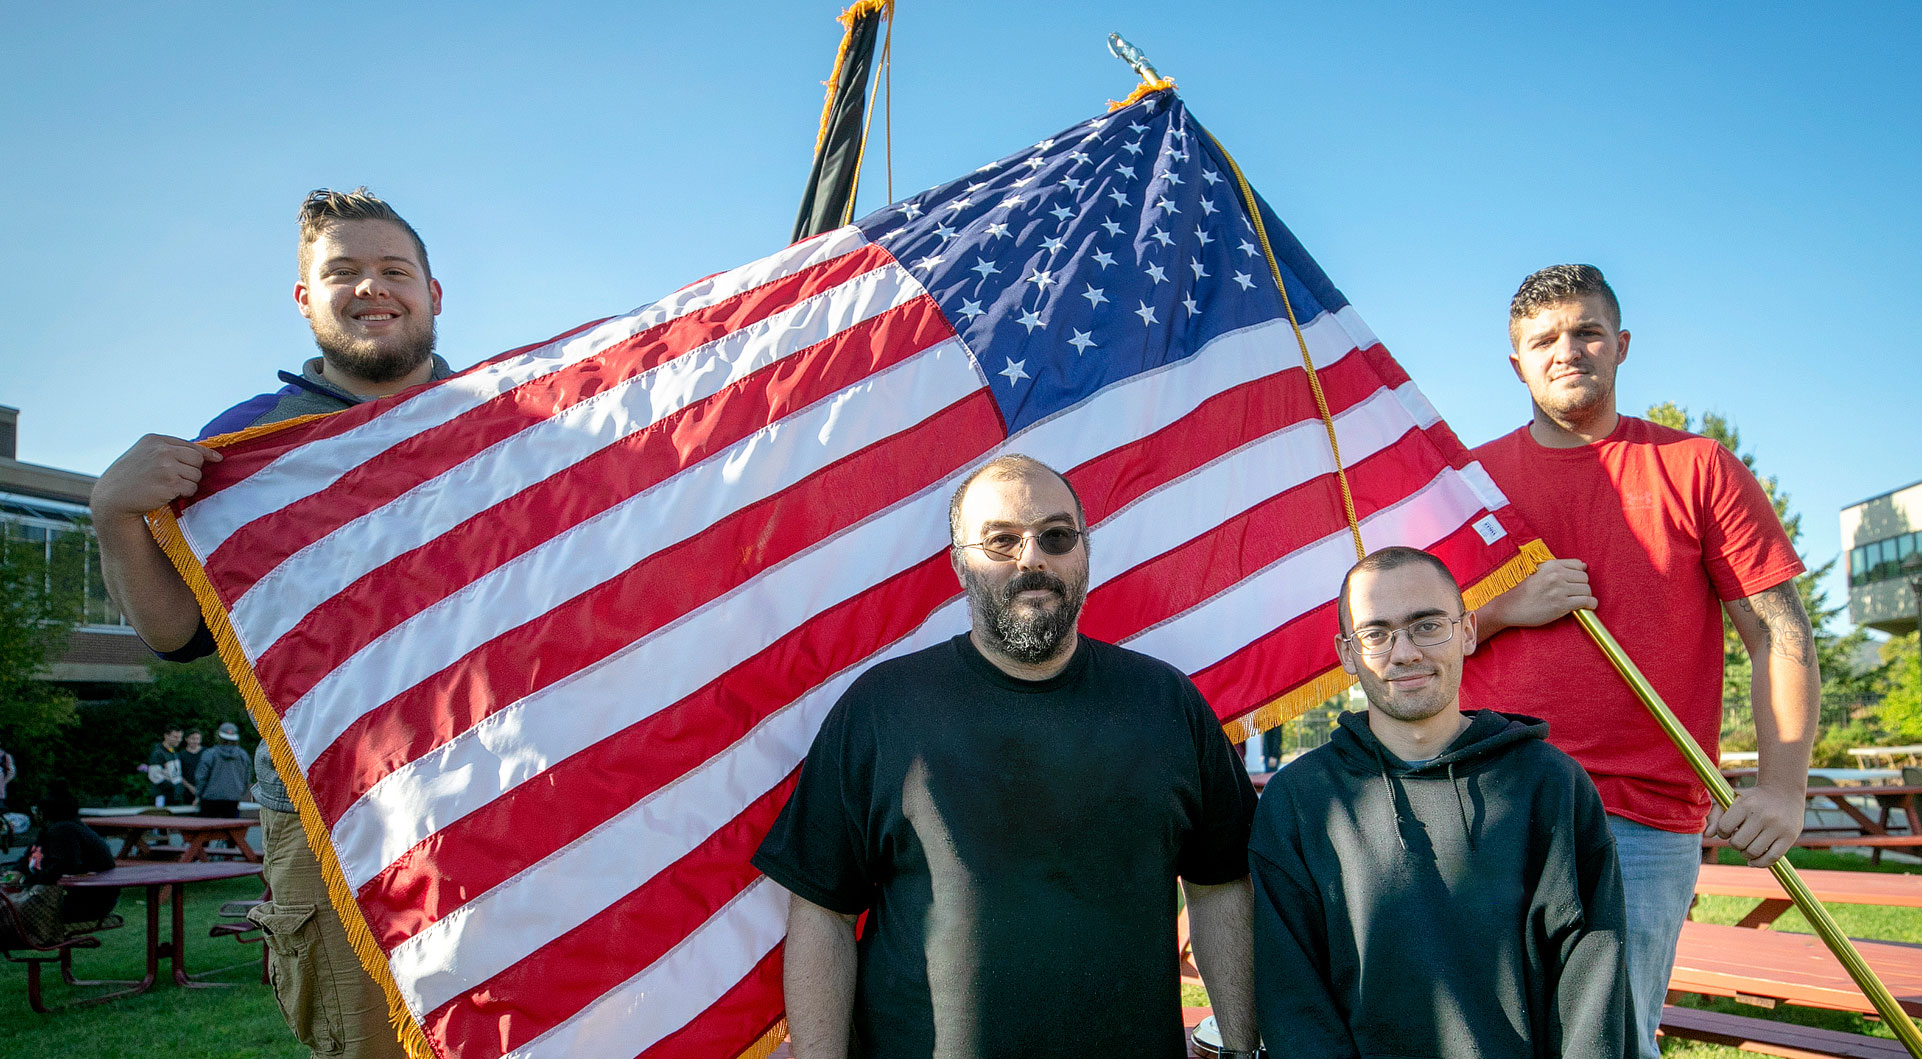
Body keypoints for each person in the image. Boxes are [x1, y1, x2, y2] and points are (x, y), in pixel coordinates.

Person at [90, 187, 451, 1059]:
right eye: (343, 273)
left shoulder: (513, 417)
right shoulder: (245, 446)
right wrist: (113, 514)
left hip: (510, 775)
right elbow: (177, 633)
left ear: (435, 293)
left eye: (394, 270)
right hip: (326, 805)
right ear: (305, 300)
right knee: (366, 1039)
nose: (372, 288)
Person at [753, 454, 1261, 1059]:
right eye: (1001, 541)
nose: (1033, 559)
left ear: (1084, 552)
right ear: (959, 564)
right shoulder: (881, 710)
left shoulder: (1167, 702)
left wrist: (1240, 1048)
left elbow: (1222, 887)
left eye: (1056, 536)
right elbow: (822, 914)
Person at [1463, 264, 1819, 1059]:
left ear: (1621, 345)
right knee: (1478, 1036)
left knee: (1605, 1040)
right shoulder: (1471, 484)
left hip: (1641, 815)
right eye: (1543, 339)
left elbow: (1779, 632)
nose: (1568, 350)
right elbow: (1408, 640)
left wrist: (1785, 786)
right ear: (1515, 362)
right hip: (1487, 805)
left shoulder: (1698, 466)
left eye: (1587, 331)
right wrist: (1505, 608)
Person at [1251, 547, 1632, 1058]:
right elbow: (1293, 1002)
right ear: (1346, 654)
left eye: (1427, 625)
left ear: (1468, 631)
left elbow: (1594, 989)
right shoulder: (1300, 803)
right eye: (1376, 633)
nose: (1404, 652)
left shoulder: (1550, 785)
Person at [196, 722, 253, 819]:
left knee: (208, 832)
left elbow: (201, 777)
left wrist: (198, 795)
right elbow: (247, 778)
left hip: (209, 799)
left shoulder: (210, 754)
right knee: (229, 832)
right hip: (233, 799)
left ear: (219, 736)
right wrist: (240, 794)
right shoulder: (243, 755)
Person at [144, 725, 184, 807]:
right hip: (162, 795)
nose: (179, 740)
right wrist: (172, 787)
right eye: (175, 737)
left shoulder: (174, 751)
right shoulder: (158, 753)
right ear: (166, 736)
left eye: (180, 737)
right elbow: (154, 776)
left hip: (174, 795)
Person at [179, 728, 205, 804]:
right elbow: (178, 774)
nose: (195, 741)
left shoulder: (207, 753)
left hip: (204, 790)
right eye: (193, 738)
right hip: (187, 790)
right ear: (186, 739)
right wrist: (190, 787)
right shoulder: (181, 754)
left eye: (198, 739)